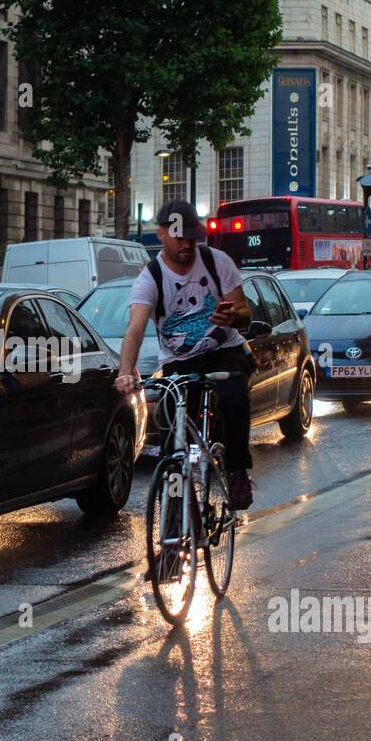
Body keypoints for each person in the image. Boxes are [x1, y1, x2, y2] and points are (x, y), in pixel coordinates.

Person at [115, 200, 256, 510]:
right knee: (176, 436)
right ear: (161, 234)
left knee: (234, 399)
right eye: (179, 237)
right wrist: (126, 370)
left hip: (224, 350)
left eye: (192, 237)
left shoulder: (218, 262)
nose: (187, 244)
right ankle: (180, 501)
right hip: (180, 360)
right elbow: (135, 328)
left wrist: (233, 317)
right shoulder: (150, 278)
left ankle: (237, 472)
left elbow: (245, 312)